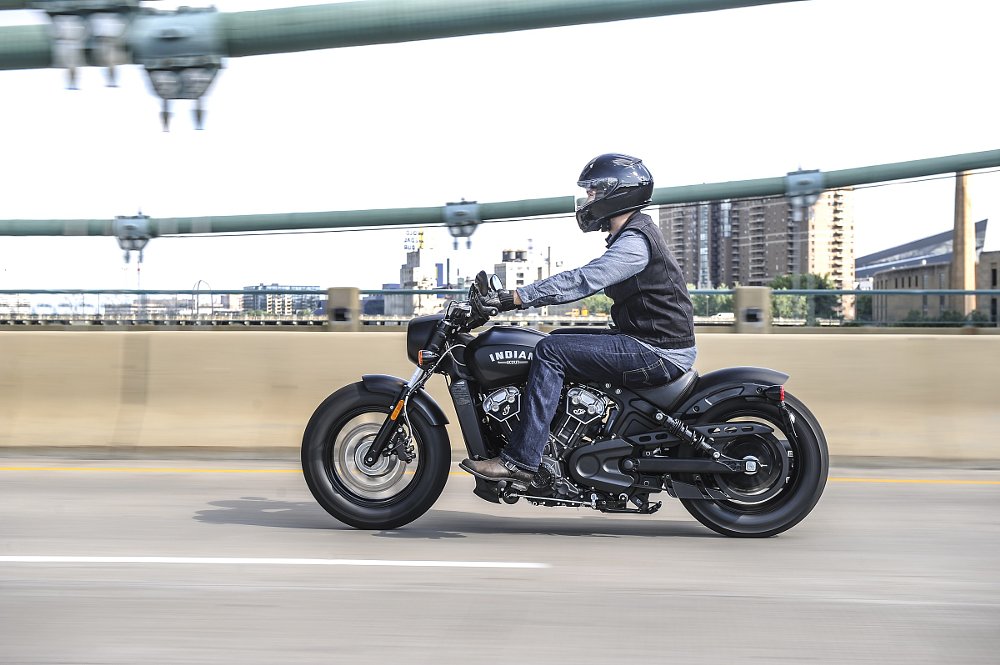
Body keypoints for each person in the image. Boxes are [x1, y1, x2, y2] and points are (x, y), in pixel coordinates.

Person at [461, 153, 697, 484]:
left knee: (551, 352)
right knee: (555, 339)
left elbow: (583, 280)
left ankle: (522, 459)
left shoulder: (635, 241)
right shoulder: (633, 234)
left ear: (618, 193)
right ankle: (560, 440)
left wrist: (515, 297)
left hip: (658, 351)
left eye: (593, 192)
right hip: (649, 341)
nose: (588, 200)